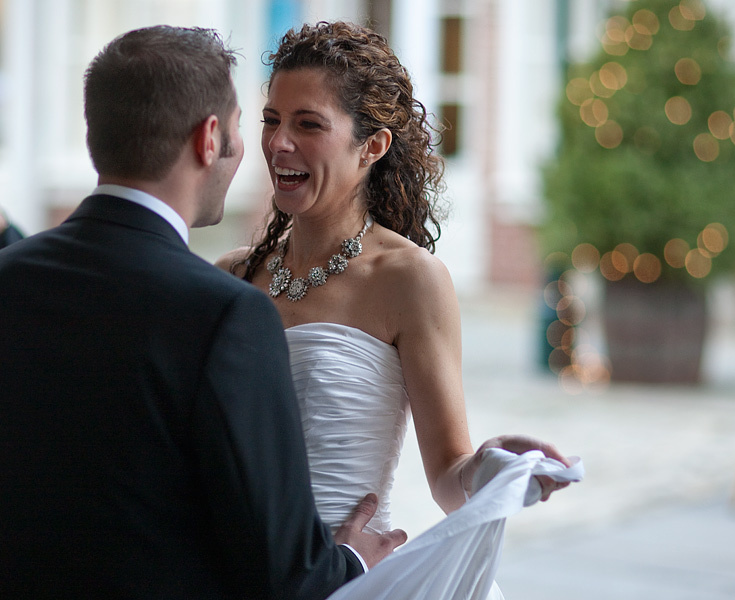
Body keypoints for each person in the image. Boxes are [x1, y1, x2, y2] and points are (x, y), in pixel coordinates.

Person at [0, 25, 406, 600]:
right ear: (209, 138)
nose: (255, 149)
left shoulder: (9, 276)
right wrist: (351, 562)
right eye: (251, 125)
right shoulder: (224, 314)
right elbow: (286, 573)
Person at [217, 21, 575, 599]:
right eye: (271, 120)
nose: (279, 143)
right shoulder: (232, 277)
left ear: (372, 146)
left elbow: (449, 478)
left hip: (348, 581)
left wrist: (493, 465)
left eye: (308, 124)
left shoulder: (411, 281)